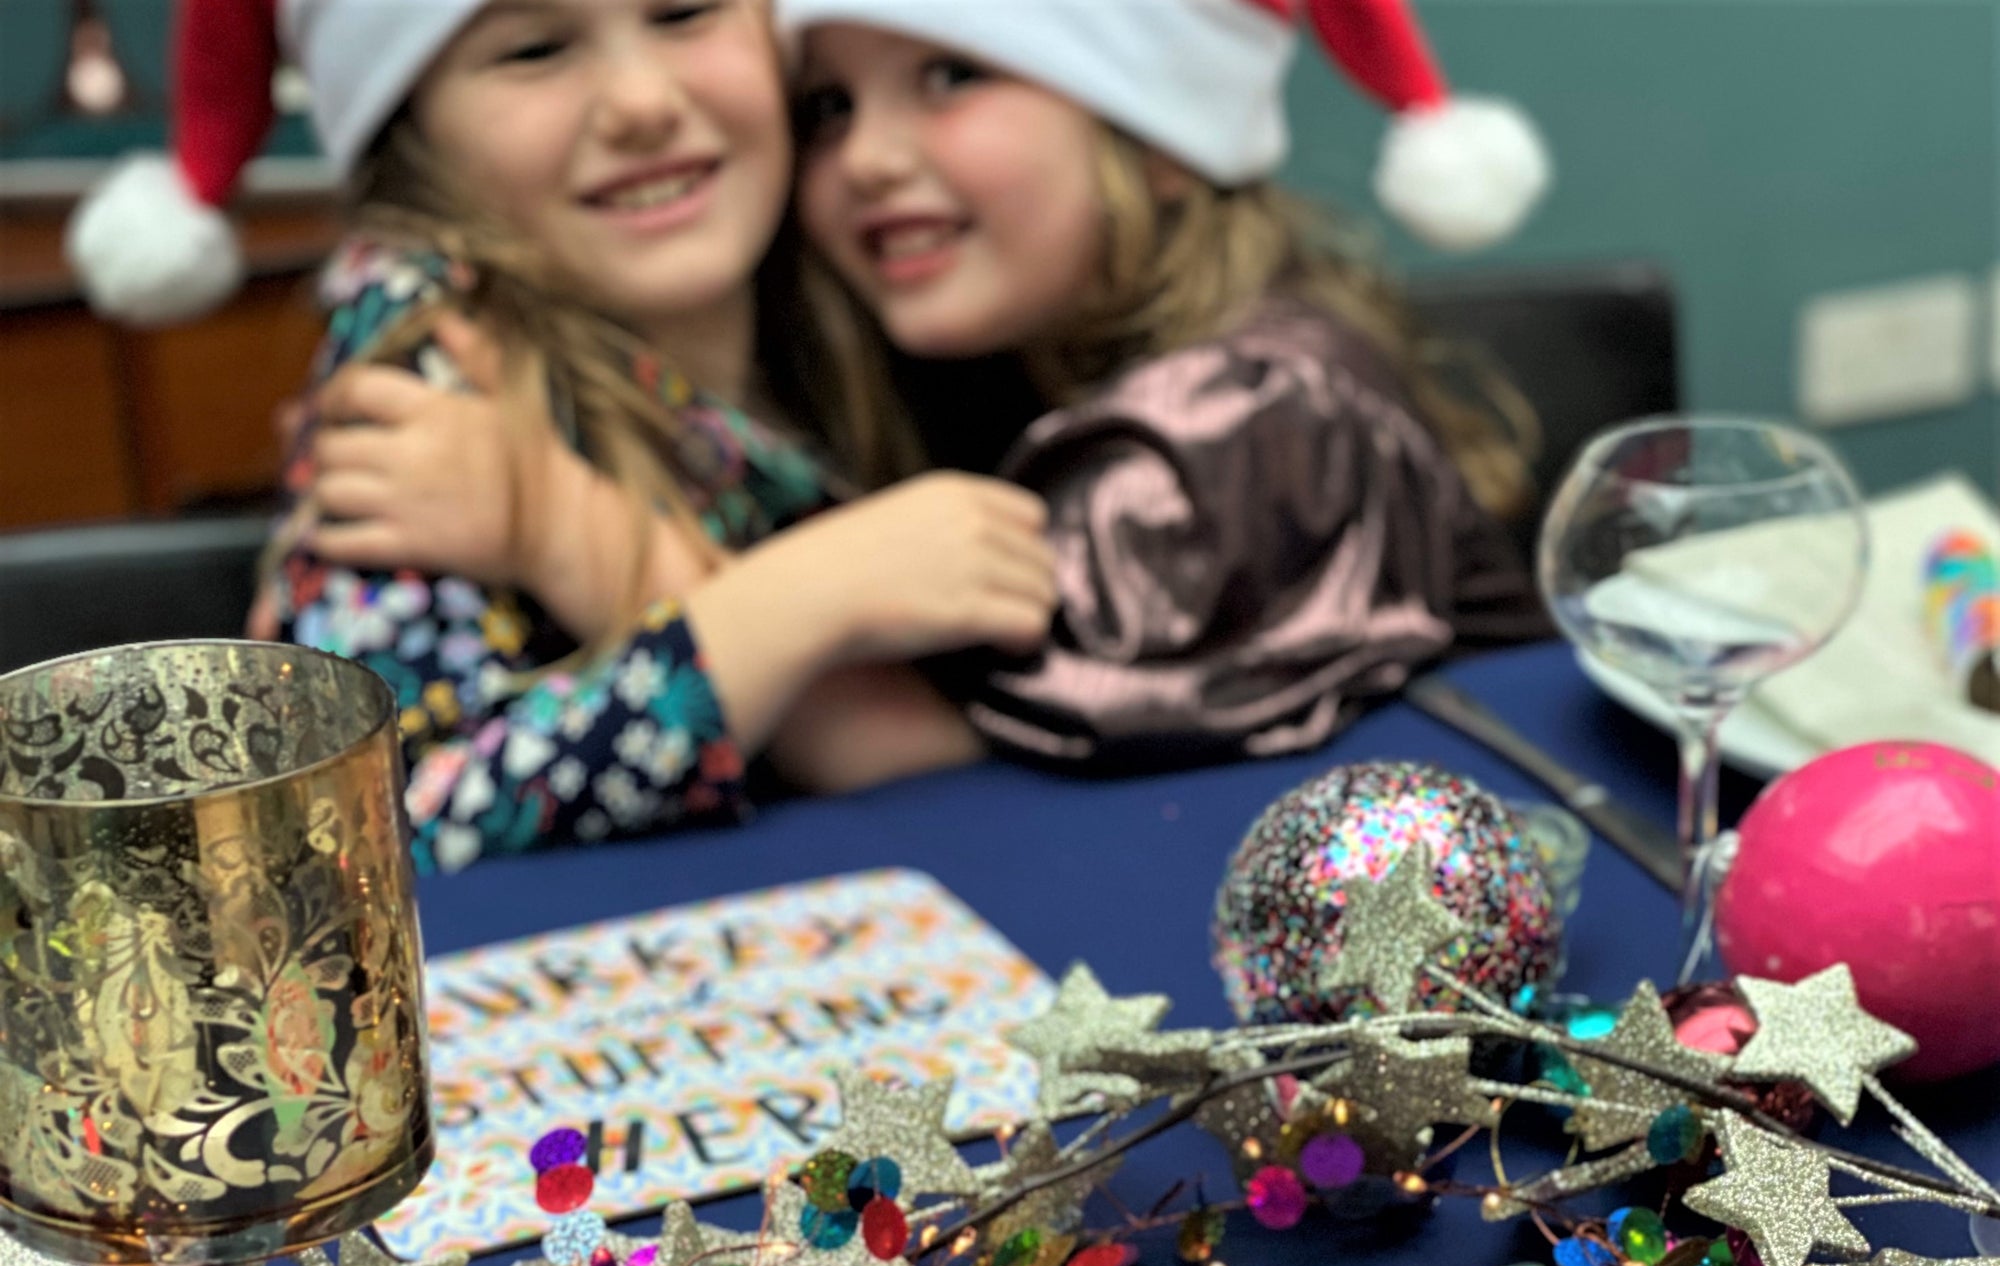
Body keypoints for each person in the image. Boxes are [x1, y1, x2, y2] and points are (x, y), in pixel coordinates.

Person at [67, 0, 1046, 868]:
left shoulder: (854, 256)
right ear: (411, 133)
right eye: (534, 48)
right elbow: (367, 844)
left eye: (683, 12)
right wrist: (790, 603)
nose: (639, 102)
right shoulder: (429, 372)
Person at [772, 0, 1556, 777]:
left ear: (1161, 141)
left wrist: (754, 604)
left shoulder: (1245, 418)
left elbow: (978, 773)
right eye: (829, 105)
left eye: (952, 74)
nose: (866, 156)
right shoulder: (999, 367)